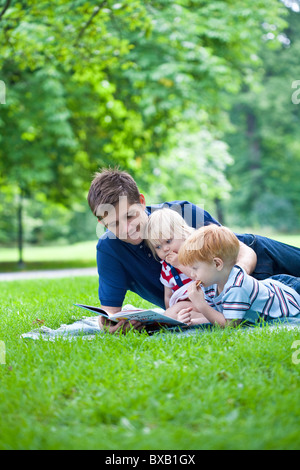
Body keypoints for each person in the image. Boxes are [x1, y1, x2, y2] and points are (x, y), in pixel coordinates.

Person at [87, 167, 300, 333]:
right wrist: (108, 323)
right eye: (114, 224)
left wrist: (232, 285)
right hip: (234, 304)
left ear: (142, 202)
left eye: (130, 215)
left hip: (258, 261)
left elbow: (245, 253)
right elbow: (109, 312)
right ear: (102, 223)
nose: (126, 229)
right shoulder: (109, 250)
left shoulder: (182, 213)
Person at [177, 225, 300, 327]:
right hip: (272, 285)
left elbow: (230, 325)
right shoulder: (210, 284)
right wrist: (191, 322)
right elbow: (219, 316)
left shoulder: (236, 288)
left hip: (289, 298)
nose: (192, 274)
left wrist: (201, 305)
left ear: (217, 264)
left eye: (195, 268)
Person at [144, 208, 209, 324]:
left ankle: (209, 318)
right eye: (158, 247)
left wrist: (179, 264)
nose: (165, 249)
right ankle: (200, 320)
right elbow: (168, 295)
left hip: (207, 299)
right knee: (170, 314)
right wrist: (170, 311)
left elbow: (204, 278)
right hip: (189, 305)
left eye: (168, 241)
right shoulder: (166, 268)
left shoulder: (195, 253)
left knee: (177, 311)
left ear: (183, 233)